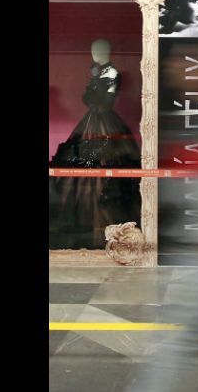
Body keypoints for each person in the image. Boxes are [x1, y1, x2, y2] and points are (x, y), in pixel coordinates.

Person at [49, 39, 141, 249]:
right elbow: (91, 99)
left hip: (105, 122)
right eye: (92, 50)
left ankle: (104, 223)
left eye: (98, 50)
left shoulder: (111, 73)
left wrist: (96, 86)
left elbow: (104, 102)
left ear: (107, 51)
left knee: (105, 166)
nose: (94, 54)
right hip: (92, 121)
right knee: (82, 167)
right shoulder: (100, 72)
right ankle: (84, 220)